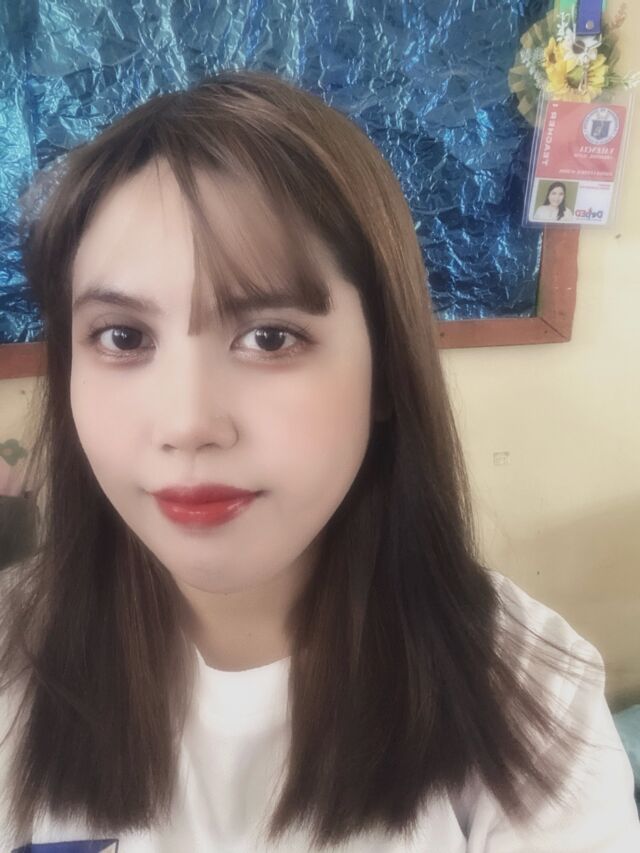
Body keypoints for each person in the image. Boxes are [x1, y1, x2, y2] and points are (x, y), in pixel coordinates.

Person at [0, 70, 638, 852]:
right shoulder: (12, 663)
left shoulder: (530, 696)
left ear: (385, 370)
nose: (187, 423)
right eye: (122, 337)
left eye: (270, 337)